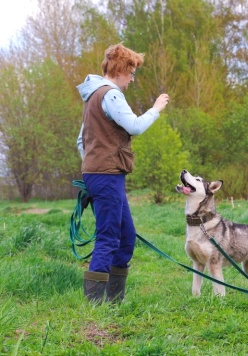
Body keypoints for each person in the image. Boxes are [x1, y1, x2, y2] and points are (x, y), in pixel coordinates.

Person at [76, 43, 170, 304]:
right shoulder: (110, 95)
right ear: (121, 69)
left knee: (126, 237)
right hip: (106, 176)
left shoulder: (93, 95)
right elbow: (135, 126)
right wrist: (156, 109)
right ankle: (94, 308)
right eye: (132, 72)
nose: (132, 78)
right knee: (109, 237)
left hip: (103, 175)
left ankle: (114, 303)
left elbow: (80, 141)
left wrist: (90, 169)